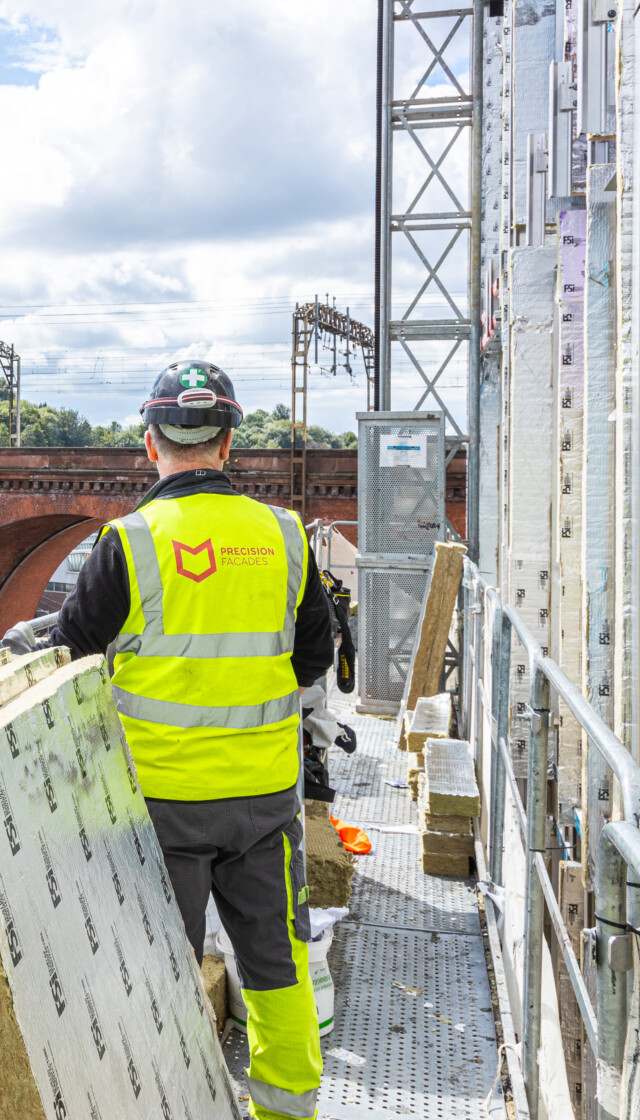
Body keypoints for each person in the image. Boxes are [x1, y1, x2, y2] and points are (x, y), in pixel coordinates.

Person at [6, 361, 333, 1120]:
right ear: (226, 445)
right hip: (264, 802)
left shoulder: (126, 545)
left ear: (150, 445)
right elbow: (313, 659)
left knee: (156, 979)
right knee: (277, 970)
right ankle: (287, 1111)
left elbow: (69, 669)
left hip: (156, 812)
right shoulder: (284, 537)